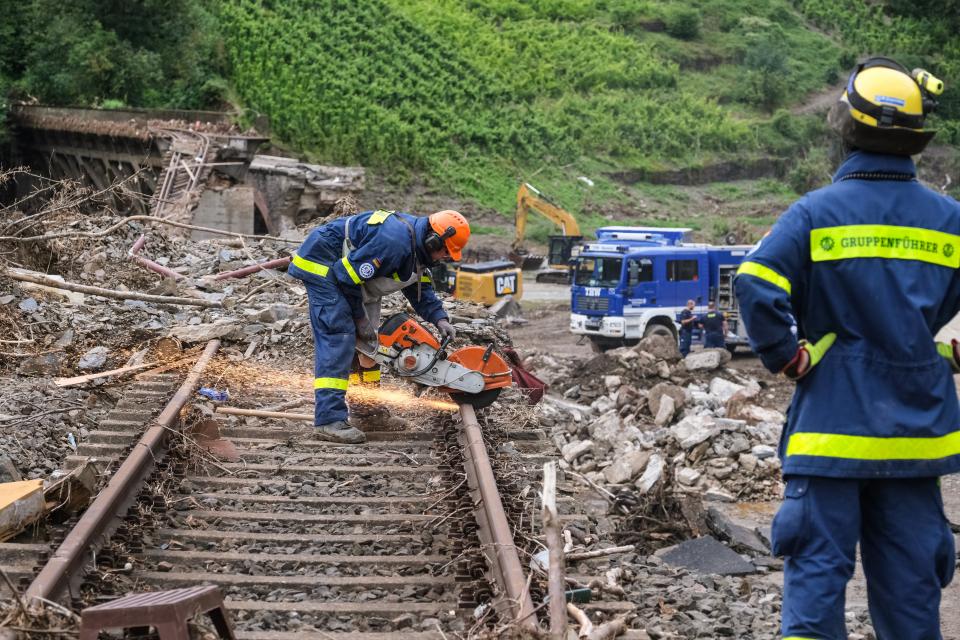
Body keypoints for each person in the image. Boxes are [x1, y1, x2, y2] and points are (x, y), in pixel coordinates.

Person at [735, 56, 957, 639]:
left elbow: (755, 283)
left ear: (847, 128)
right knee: (912, 604)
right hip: (915, 445)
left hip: (829, 439)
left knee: (814, 597)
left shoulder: (815, 214)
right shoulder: (950, 222)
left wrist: (786, 355)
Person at [288, 209, 469, 444]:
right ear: (434, 239)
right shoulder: (394, 242)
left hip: (350, 278)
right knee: (341, 336)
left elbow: (420, 289)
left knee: (369, 344)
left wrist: (439, 318)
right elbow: (344, 276)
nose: (442, 258)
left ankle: (368, 413)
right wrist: (359, 319)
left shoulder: (418, 248)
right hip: (324, 265)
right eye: (444, 252)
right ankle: (328, 420)